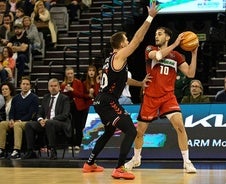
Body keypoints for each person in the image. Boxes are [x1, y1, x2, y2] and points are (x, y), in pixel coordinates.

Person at [82, 1, 159, 180]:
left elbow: (123, 79)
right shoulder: (120, 54)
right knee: (131, 131)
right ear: (121, 44)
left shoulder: (112, 59)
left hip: (103, 100)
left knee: (109, 131)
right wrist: (150, 17)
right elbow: (138, 40)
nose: (128, 42)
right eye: (126, 40)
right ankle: (119, 168)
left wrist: (140, 84)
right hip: (108, 101)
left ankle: (90, 163)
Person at [125, 27, 198, 173]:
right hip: (150, 96)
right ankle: (136, 158)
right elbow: (158, 56)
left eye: (160, 34)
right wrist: (176, 43)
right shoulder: (149, 49)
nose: (156, 36)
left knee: (180, 127)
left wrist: (194, 54)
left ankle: (187, 161)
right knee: (140, 132)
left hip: (168, 97)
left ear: (167, 37)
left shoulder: (176, 56)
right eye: (155, 34)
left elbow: (190, 73)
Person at [23, 78, 71, 159]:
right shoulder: (46, 97)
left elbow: (65, 115)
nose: (53, 88)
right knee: (29, 125)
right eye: (51, 86)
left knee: (49, 123)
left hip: (60, 123)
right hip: (46, 123)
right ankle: (30, 151)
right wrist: (40, 119)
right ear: (48, 88)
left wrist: (50, 119)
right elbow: (39, 113)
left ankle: (53, 150)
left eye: (55, 86)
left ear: (59, 87)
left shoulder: (64, 98)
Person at [0, 76, 38, 160]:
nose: (25, 86)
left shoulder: (34, 98)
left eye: (27, 84)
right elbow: (11, 112)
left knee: (17, 125)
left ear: (30, 86)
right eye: (23, 84)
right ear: (20, 85)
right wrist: (11, 120)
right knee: (2, 124)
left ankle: (16, 150)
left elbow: (31, 114)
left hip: (27, 122)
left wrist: (19, 120)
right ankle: (1, 149)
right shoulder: (16, 98)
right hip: (15, 121)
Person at [61, 67, 88, 150]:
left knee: (78, 126)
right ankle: (70, 143)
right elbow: (62, 96)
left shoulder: (78, 82)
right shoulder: (63, 84)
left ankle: (78, 143)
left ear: (74, 74)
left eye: (71, 73)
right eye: (68, 74)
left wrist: (72, 90)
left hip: (78, 107)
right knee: (70, 126)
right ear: (66, 74)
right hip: (68, 107)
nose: (70, 75)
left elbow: (81, 95)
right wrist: (65, 91)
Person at [0, 82, 15, 158]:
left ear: (10, 90)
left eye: (6, 89)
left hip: (12, 122)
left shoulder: (14, 100)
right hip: (4, 123)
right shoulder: (3, 103)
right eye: (2, 90)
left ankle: (1, 149)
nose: (4, 91)